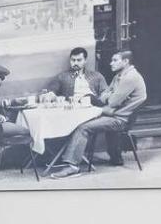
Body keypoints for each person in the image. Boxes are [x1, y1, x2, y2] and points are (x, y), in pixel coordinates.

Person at [51, 50, 147, 179]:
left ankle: (72, 167)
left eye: (115, 60)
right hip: (114, 114)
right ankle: (114, 157)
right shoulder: (119, 76)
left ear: (125, 61)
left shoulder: (130, 78)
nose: (111, 63)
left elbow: (112, 101)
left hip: (121, 120)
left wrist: (111, 96)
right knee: (83, 121)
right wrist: (111, 96)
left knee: (82, 128)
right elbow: (103, 96)